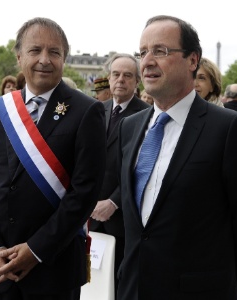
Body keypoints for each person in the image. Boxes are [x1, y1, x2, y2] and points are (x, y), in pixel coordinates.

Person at [117, 15, 237, 299]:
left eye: (160, 51)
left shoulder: (227, 128)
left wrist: (225, 278)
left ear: (192, 60)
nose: (147, 61)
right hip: (135, 286)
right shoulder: (130, 127)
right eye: (142, 52)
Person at [0, 17, 106, 300]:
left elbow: (85, 192)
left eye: (54, 52)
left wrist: (36, 250)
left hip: (54, 265)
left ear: (64, 58)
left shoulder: (87, 111)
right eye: (35, 50)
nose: (45, 59)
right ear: (19, 58)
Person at [89, 53, 149, 293]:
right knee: (92, 282)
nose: (120, 80)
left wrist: (114, 202)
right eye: (116, 74)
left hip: (124, 219)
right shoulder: (96, 110)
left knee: (120, 284)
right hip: (90, 215)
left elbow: (143, 168)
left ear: (137, 81)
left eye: (127, 75)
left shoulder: (148, 115)